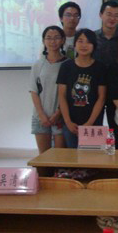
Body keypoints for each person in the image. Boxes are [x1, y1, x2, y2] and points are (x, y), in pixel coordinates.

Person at [57, 29, 107, 148]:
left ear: (94, 46)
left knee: (93, 157)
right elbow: (62, 96)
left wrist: (89, 124)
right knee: (72, 157)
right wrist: (68, 122)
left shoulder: (100, 67)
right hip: (70, 122)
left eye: (88, 42)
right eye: (80, 41)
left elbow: (101, 98)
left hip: (93, 123)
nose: (84, 45)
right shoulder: (66, 66)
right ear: (74, 44)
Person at [29, 25, 68, 154]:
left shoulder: (68, 64)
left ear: (63, 40)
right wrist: (41, 115)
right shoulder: (38, 64)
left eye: (56, 37)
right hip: (40, 116)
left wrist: (58, 114)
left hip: (61, 117)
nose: (53, 41)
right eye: (49, 38)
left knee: (60, 156)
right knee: (44, 156)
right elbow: (33, 91)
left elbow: (69, 94)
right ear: (43, 41)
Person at [94, 0, 118, 129]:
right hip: (94, 88)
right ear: (101, 15)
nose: (112, 18)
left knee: (116, 127)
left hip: (116, 89)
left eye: (116, 15)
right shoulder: (91, 38)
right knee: (94, 127)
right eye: (109, 14)